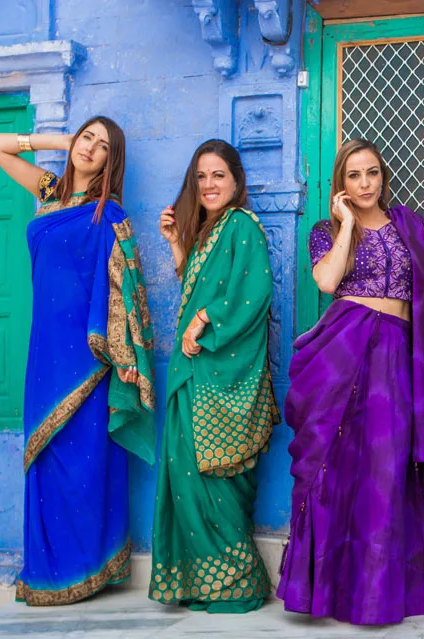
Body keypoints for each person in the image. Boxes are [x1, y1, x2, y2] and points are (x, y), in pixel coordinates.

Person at [277, 138, 424, 625]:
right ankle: (330, 591)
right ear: (341, 183)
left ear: (383, 177)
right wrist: (346, 224)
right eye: (355, 175)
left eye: (372, 173)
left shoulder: (408, 225)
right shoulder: (325, 232)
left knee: (387, 468)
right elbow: (328, 283)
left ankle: (378, 592)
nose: (366, 183)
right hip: (346, 350)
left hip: (400, 354)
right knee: (339, 463)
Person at [0, 116, 155, 606]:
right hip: (45, 351)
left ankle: (88, 571)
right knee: (44, 456)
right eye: (87, 138)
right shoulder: (49, 190)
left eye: (102, 146)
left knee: (83, 463)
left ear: (110, 161)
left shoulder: (110, 213)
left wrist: (124, 357)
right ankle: (46, 572)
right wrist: (55, 141)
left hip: (88, 357)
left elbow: (126, 286)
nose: (90, 149)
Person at [149, 139, 278, 612]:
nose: (208, 184)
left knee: (215, 480)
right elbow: (195, 287)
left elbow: (255, 292)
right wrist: (177, 245)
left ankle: (238, 583)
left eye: (218, 175)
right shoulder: (209, 232)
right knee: (186, 476)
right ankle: (206, 583)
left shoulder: (242, 226)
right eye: (201, 176)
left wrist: (205, 317)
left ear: (236, 180)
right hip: (193, 372)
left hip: (223, 376)